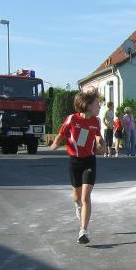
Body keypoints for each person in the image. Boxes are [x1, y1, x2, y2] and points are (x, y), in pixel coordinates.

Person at [51, 87, 105, 244]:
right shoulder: (72, 119)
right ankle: (77, 206)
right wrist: (55, 143)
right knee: (77, 197)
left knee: (85, 197)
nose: (99, 106)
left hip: (89, 161)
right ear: (88, 105)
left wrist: (101, 143)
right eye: (97, 104)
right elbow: (62, 134)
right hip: (75, 161)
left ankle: (83, 231)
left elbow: (98, 136)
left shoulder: (95, 121)